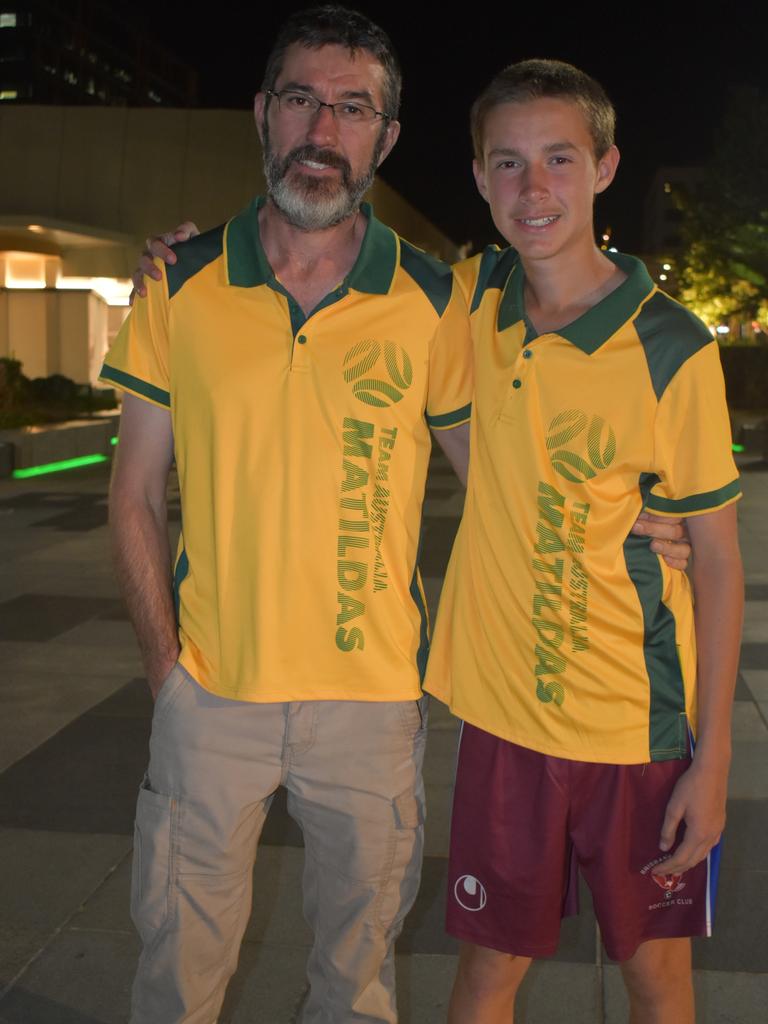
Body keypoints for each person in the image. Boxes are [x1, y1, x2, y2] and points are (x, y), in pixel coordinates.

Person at [123, 11, 691, 1022]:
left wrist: (647, 517)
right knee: (176, 971)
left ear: (385, 137)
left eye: (354, 107)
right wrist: (167, 669)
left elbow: (508, 470)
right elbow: (130, 492)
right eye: (301, 97)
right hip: (211, 695)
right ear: (262, 114)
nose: (322, 127)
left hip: (374, 703)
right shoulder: (182, 284)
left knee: (355, 981)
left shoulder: (440, 301)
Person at [424, 59, 744, 1023]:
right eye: (508, 163)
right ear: (479, 179)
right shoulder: (469, 303)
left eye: (559, 158)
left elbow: (720, 558)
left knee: (657, 979)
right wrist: (180, 257)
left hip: (636, 730)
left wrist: (715, 757)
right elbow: (327, 248)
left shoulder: (672, 346)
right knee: (487, 975)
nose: (534, 188)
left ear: (605, 166)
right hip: (504, 721)